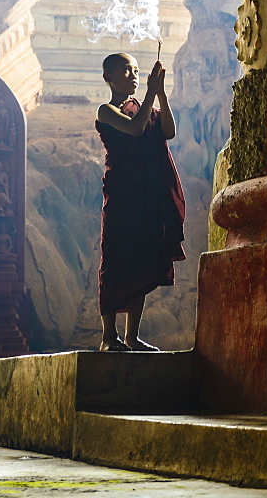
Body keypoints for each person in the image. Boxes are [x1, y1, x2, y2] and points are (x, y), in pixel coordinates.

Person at [95, 51, 185, 352]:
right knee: (116, 258)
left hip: (147, 196)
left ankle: (132, 336)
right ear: (108, 77)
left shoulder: (144, 107)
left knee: (142, 262)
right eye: (125, 70)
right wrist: (149, 93)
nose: (133, 75)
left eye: (135, 70)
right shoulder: (106, 110)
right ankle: (109, 337)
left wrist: (161, 95)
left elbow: (168, 132)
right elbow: (134, 130)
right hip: (122, 195)